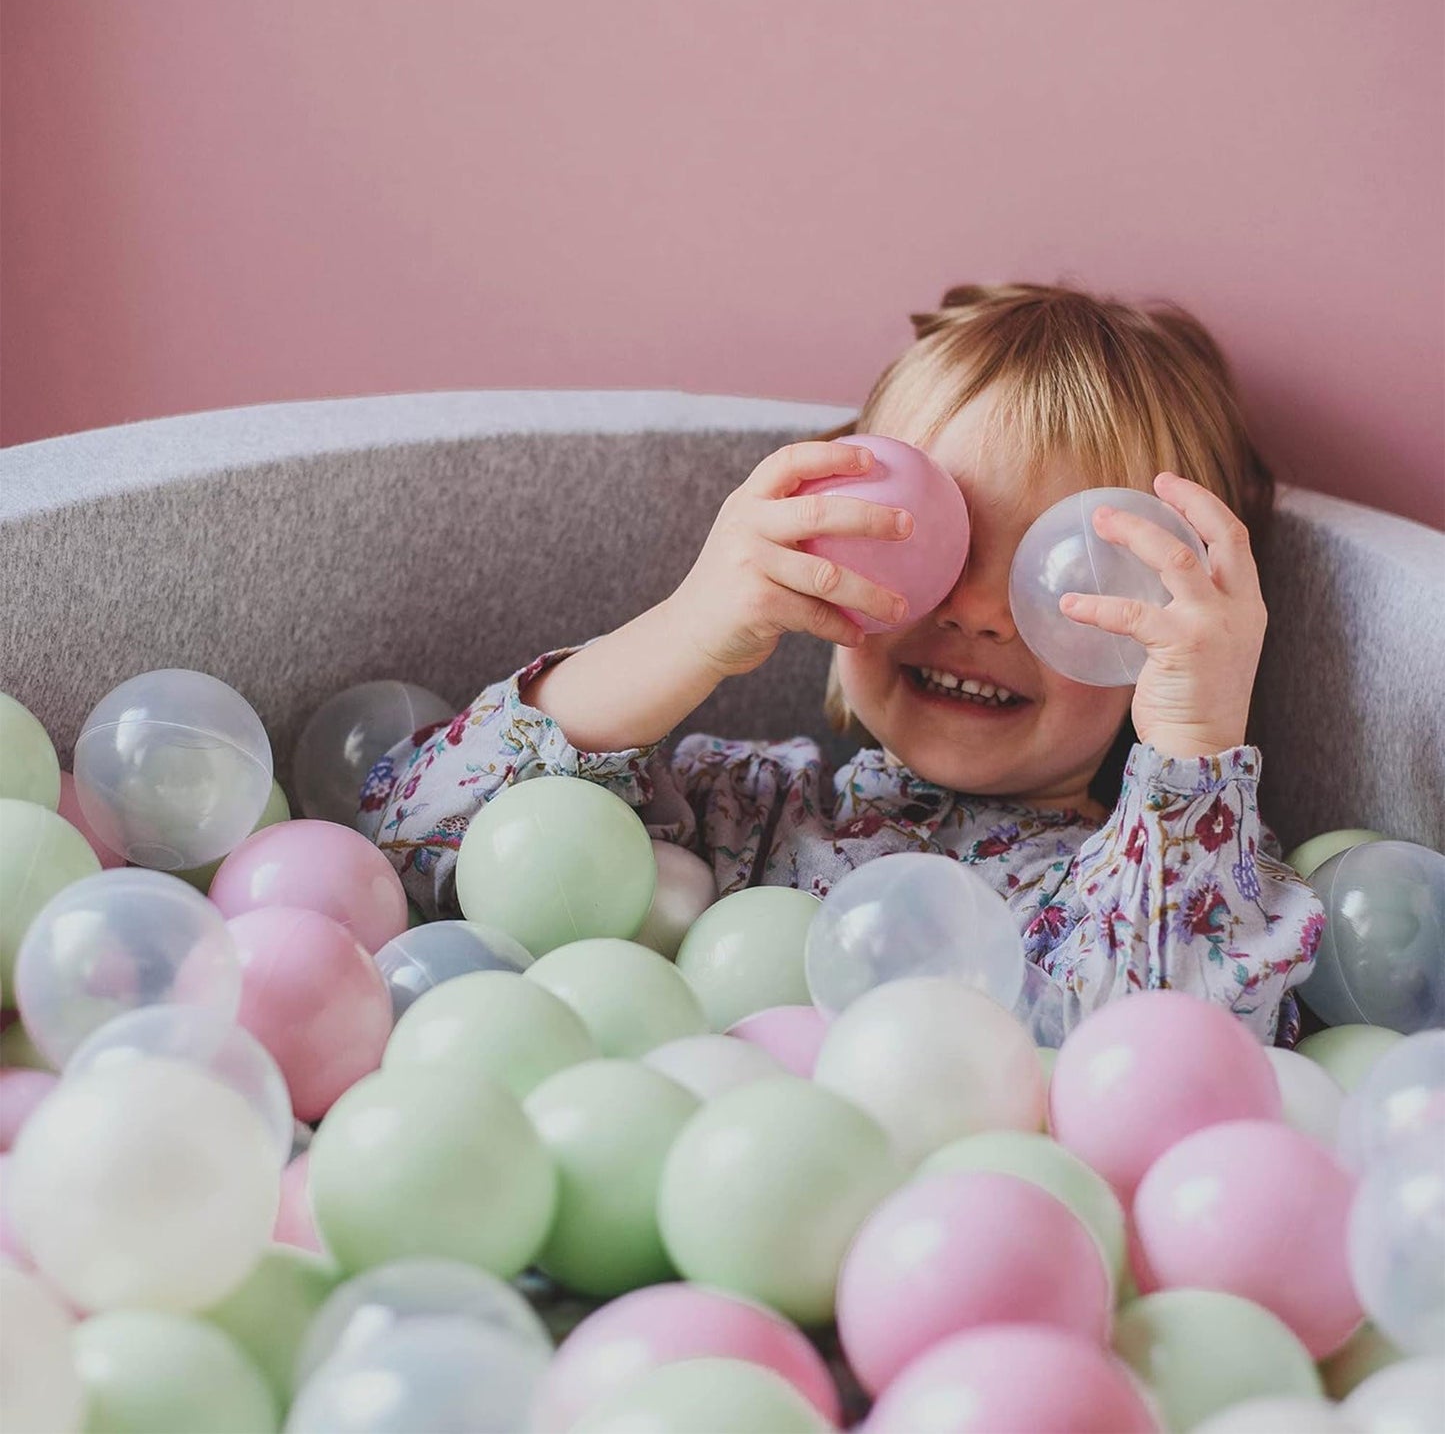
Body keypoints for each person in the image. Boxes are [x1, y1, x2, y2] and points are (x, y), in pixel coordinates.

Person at [356, 281, 1324, 1048]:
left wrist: (1192, 746)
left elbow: (1164, 1071)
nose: (982, 614)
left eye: (1065, 575)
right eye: (937, 540)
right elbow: (404, 844)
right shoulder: (741, 811)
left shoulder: (1176, 882)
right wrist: (686, 628)